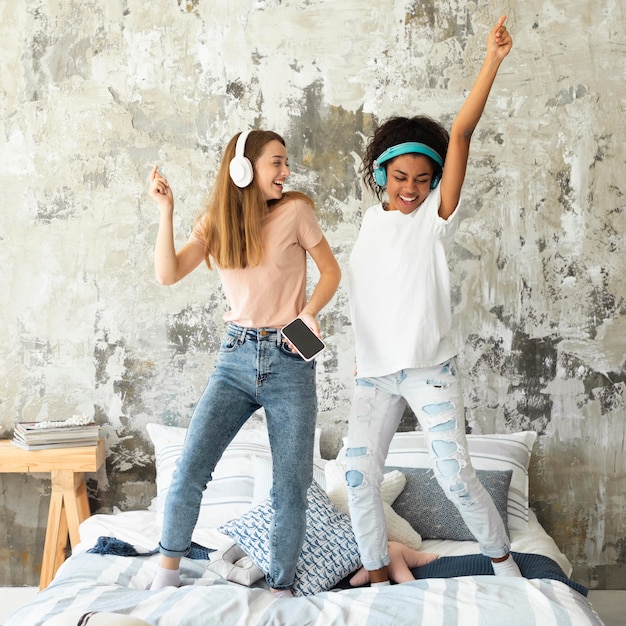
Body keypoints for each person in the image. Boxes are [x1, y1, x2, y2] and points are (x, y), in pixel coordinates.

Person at [345, 16, 520, 586]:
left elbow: (463, 133)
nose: (411, 187)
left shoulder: (432, 221)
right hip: (374, 376)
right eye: (400, 176)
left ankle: (503, 563)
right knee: (357, 477)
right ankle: (376, 570)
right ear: (380, 174)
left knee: (455, 473)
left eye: (423, 178)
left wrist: (490, 62)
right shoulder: (370, 225)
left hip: (429, 371)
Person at [147, 129, 341, 597]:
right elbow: (168, 273)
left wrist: (307, 315)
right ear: (243, 168)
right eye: (276, 162)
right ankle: (165, 573)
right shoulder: (217, 221)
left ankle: (281, 589)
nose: (286, 172)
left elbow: (331, 271)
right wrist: (166, 210)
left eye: (285, 163)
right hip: (234, 356)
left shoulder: (297, 211)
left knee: (290, 488)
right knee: (191, 468)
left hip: (291, 357)